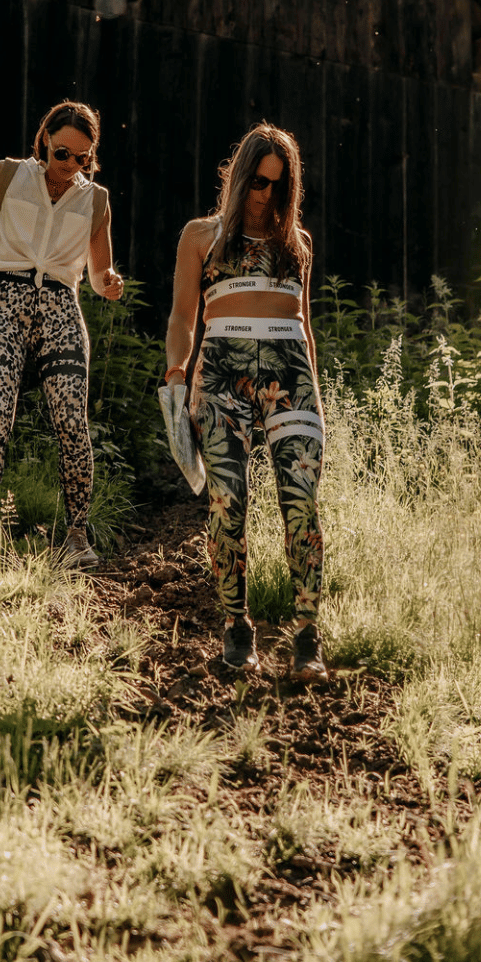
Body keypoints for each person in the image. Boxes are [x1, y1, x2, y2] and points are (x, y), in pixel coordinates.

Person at [0, 100, 124, 566]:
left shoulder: (95, 200)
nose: (69, 166)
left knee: (73, 420)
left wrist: (109, 283)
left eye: (82, 158)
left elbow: (98, 271)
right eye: (62, 154)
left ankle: (76, 537)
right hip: (1, 299)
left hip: (59, 306)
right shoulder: (8, 175)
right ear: (44, 142)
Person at [165, 122, 327, 682]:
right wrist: (178, 376)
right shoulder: (200, 236)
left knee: (301, 500)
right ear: (240, 179)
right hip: (222, 371)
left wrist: (316, 397)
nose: (267, 196)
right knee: (228, 501)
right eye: (258, 183)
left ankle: (308, 634)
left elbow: (304, 324)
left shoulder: (297, 245)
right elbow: (184, 317)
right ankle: (238, 626)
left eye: (279, 187)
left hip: (290, 371)